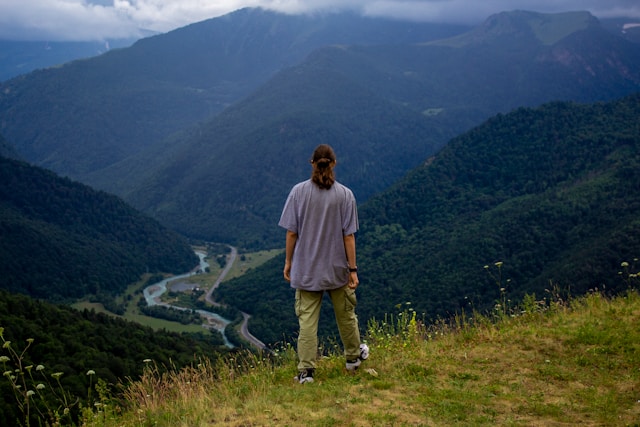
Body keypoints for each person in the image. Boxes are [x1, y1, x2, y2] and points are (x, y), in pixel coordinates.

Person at [278, 144, 369, 384]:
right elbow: (348, 236)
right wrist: (353, 269)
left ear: (312, 163)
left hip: (307, 270)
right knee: (346, 315)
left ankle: (306, 372)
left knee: (307, 322)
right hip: (337, 270)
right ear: (334, 164)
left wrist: (288, 262)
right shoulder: (345, 195)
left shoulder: (298, 192)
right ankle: (352, 359)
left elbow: (291, 233)